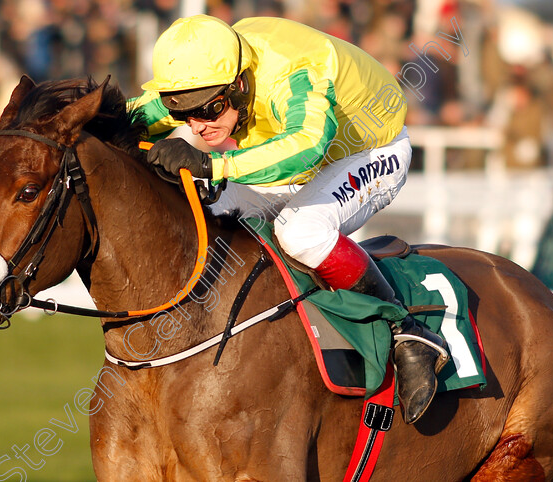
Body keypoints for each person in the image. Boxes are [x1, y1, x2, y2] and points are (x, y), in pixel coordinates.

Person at [131, 15, 449, 424]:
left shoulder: (293, 69)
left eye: (210, 109)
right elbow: (136, 113)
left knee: (299, 232)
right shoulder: (208, 70)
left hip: (369, 149)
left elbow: (307, 146)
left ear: (239, 84)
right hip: (296, 156)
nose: (197, 124)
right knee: (207, 216)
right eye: (184, 113)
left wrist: (214, 164)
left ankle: (408, 333)